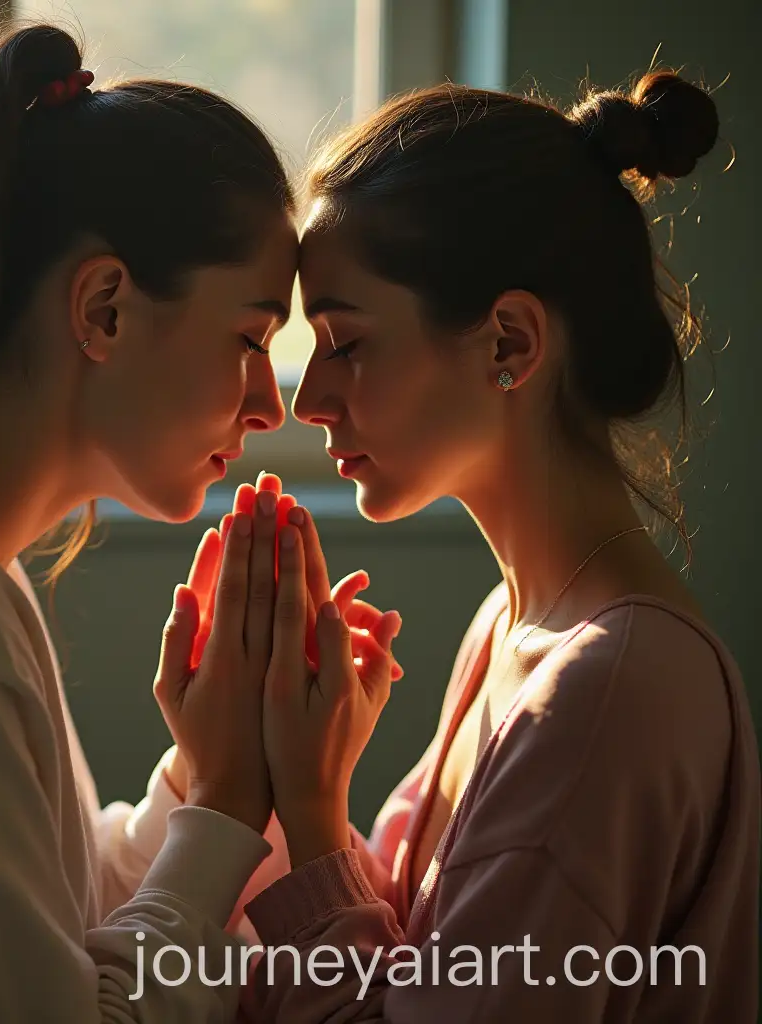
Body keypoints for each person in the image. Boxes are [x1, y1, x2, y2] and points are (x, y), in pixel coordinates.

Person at [0, 21, 399, 1022]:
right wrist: (227, 804)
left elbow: (52, 917)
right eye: (250, 337)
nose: (269, 406)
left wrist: (203, 772)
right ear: (102, 310)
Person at [232, 69, 760, 1021]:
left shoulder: (613, 689)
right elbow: (395, 953)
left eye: (344, 343)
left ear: (509, 344)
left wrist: (311, 812)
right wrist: (262, 766)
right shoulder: (511, 625)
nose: (308, 401)